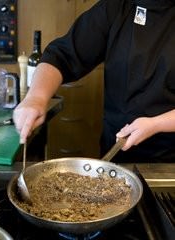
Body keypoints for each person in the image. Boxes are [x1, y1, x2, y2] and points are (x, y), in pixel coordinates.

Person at [13, 0, 175, 163]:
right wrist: (36, 98)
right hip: (116, 150)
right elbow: (62, 56)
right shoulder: (116, 7)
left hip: (169, 158)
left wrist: (156, 124)